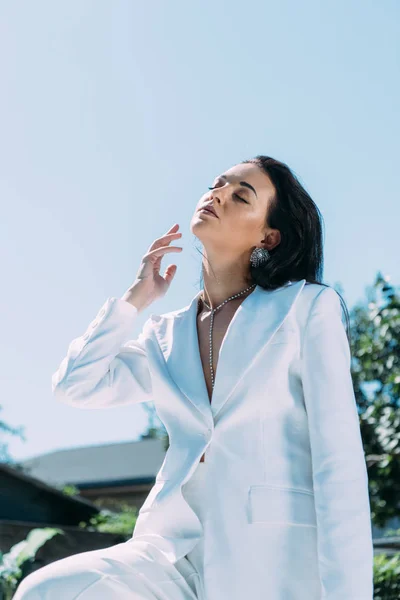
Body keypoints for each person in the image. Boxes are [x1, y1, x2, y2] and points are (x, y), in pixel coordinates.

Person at [14, 156, 374, 599]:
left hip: (273, 559)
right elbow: (76, 385)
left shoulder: (305, 309)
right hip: (172, 552)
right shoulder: (166, 334)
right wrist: (134, 299)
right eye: (216, 185)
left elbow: (338, 462)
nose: (218, 194)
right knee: (49, 590)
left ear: (269, 236)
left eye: (241, 195)